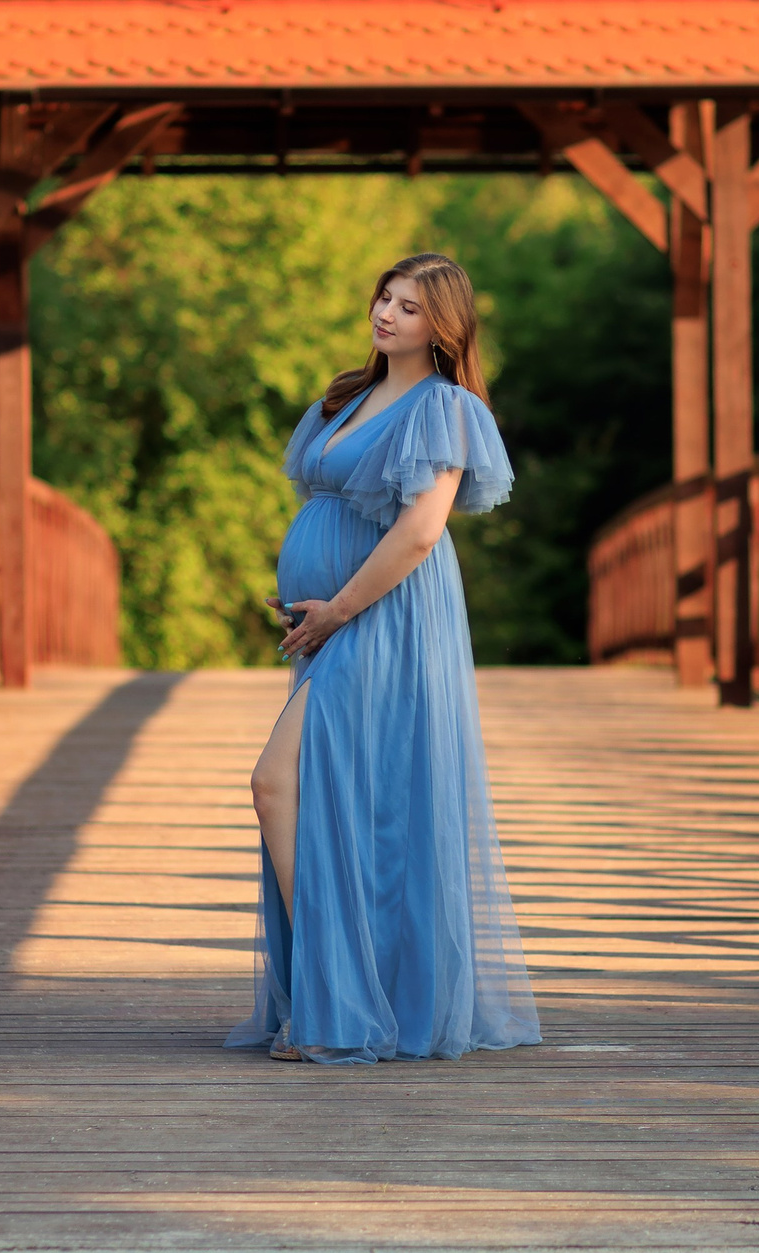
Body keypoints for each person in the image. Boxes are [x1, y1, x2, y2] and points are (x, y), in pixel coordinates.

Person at [228, 252, 542, 1065]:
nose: (387, 313)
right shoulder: (348, 396)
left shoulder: (445, 407)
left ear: (442, 325)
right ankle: (339, 995)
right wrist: (309, 593)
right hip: (333, 617)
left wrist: (336, 606)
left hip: (388, 616)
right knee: (332, 798)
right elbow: (331, 506)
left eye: (408, 305)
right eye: (384, 296)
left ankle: (341, 1000)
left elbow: (419, 531)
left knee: (277, 783)